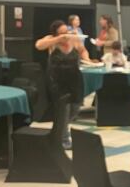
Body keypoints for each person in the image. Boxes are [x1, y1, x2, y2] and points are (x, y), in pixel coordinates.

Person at [35, 20, 95, 149]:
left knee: (75, 107)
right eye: (62, 33)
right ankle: (63, 140)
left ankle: (57, 132)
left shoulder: (74, 40)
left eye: (66, 32)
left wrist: (87, 58)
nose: (66, 35)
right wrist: (57, 39)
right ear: (55, 34)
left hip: (74, 78)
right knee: (63, 109)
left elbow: (83, 50)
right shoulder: (52, 40)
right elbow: (39, 45)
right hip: (57, 79)